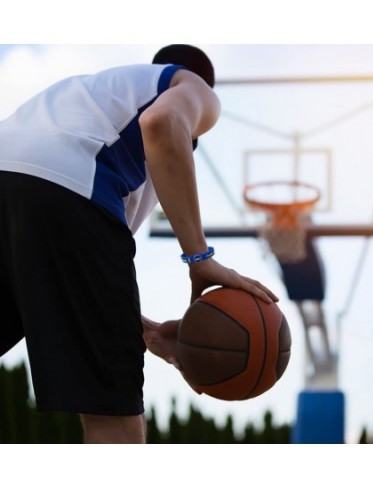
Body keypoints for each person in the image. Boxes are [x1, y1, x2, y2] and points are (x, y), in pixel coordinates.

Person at [0, 44, 278, 443]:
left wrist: (142, 330)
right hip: (70, 186)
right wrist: (199, 257)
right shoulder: (192, 86)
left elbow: (74, 276)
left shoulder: (91, 103)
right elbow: (163, 122)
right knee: (111, 413)